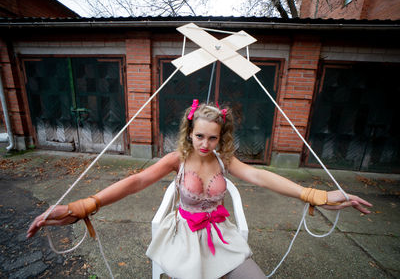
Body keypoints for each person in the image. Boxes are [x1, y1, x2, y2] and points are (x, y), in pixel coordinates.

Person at [27, 100, 372, 279]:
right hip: (184, 239)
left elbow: (263, 177)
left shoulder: (226, 161)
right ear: (189, 132)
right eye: (199, 136)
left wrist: (319, 196)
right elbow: (134, 182)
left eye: (213, 137)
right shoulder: (176, 159)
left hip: (222, 236)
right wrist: (82, 206)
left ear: (221, 137)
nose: (205, 144)